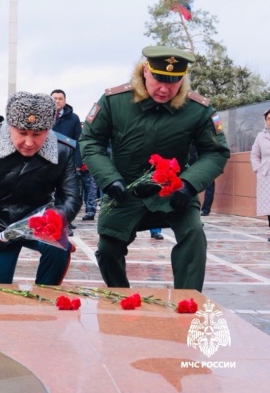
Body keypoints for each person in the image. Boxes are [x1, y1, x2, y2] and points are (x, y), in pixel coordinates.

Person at [79, 46, 230, 291]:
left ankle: (187, 301)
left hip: (174, 190)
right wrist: (109, 179)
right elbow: (90, 141)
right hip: (124, 190)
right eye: (159, 79)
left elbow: (216, 152)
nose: (164, 89)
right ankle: (120, 298)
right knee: (108, 250)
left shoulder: (197, 109)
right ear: (145, 72)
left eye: (173, 82)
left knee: (194, 236)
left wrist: (189, 184)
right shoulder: (114, 102)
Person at [0, 92, 80, 284]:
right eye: (22, 133)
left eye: (37, 135)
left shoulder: (62, 149)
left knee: (59, 251)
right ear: (9, 127)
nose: (29, 143)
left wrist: (56, 219)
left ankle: (45, 297)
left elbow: (71, 196)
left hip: (39, 220)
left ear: (49, 130)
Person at [51, 89, 83, 236]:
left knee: (66, 194)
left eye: (60, 98)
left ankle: (65, 223)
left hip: (67, 163)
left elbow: (79, 141)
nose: (57, 101)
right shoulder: (44, 116)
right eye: (54, 98)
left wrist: (78, 162)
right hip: (48, 160)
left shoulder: (73, 118)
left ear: (65, 101)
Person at [250, 108, 270, 242]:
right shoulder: (260, 136)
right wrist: (258, 168)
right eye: (269, 119)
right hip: (266, 174)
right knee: (268, 206)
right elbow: (254, 154)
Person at [189, 145, 216, 216]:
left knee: (191, 184)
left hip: (200, 161)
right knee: (209, 186)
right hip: (205, 160)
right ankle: (204, 210)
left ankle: (201, 209)